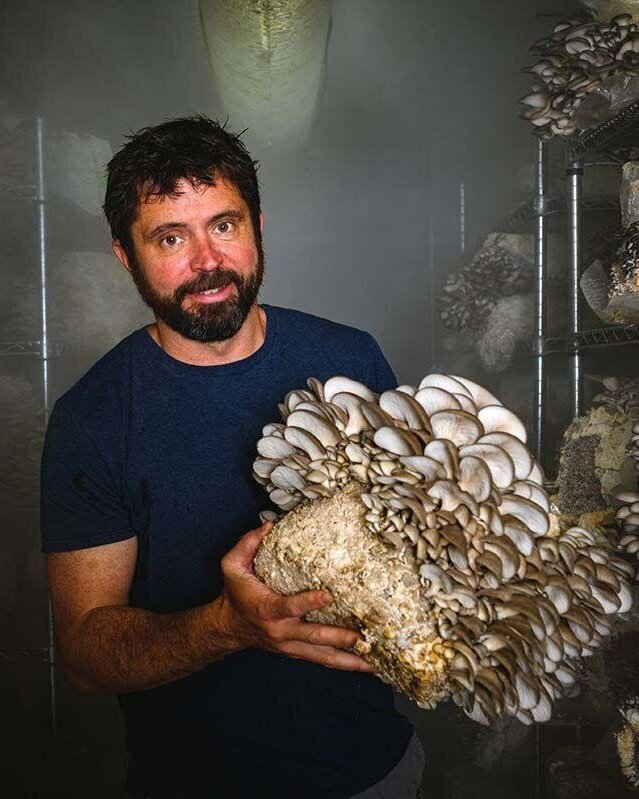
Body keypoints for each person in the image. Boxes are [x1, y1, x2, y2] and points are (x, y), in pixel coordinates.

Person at [41, 115, 425, 799]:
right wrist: (227, 625)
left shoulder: (349, 359)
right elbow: (85, 655)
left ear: (256, 225)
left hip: (375, 772)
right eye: (169, 237)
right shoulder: (93, 419)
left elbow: (418, 532)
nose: (206, 260)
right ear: (125, 256)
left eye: (223, 224)